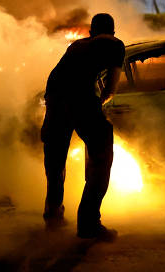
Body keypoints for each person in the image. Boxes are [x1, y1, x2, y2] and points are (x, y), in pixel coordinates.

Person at [41, 13, 125, 240]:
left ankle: (53, 215)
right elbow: (111, 87)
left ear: (91, 32)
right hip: (80, 102)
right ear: (113, 31)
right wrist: (98, 105)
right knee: (102, 155)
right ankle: (88, 223)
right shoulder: (115, 45)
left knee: (55, 160)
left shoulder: (76, 46)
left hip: (55, 101)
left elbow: (62, 76)